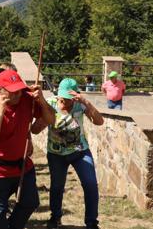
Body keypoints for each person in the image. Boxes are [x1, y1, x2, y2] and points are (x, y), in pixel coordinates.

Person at [0, 69, 55, 229]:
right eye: (13, 91)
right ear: (0, 90)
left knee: (30, 202)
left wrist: (42, 101)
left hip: (22, 165)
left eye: (19, 89)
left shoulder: (27, 99)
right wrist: (0, 111)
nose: (18, 94)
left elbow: (51, 119)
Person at [32, 78, 104, 229]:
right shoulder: (50, 104)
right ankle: (55, 218)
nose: (65, 102)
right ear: (58, 95)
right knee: (57, 186)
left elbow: (99, 121)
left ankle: (91, 222)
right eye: (63, 98)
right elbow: (35, 130)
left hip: (80, 152)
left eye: (69, 99)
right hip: (56, 154)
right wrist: (43, 118)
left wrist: (86, 102)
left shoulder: (80, 105)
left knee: (90, 184)